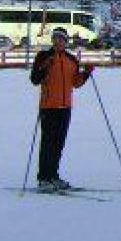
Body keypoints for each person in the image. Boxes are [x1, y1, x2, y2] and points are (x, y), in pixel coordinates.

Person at [29, 27, 93, 191]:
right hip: (48, 106)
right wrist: (45, 67)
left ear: (66, 41)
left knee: (58, 144)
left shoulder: (71, 60)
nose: (58, 41)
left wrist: (86, 73)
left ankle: (53, 176)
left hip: (65, 107)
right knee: (48, 144)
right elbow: (35, 79)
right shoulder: (43, 56)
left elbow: (75, 83)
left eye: (61, 39)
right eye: (55, 38)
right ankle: (44, 178)